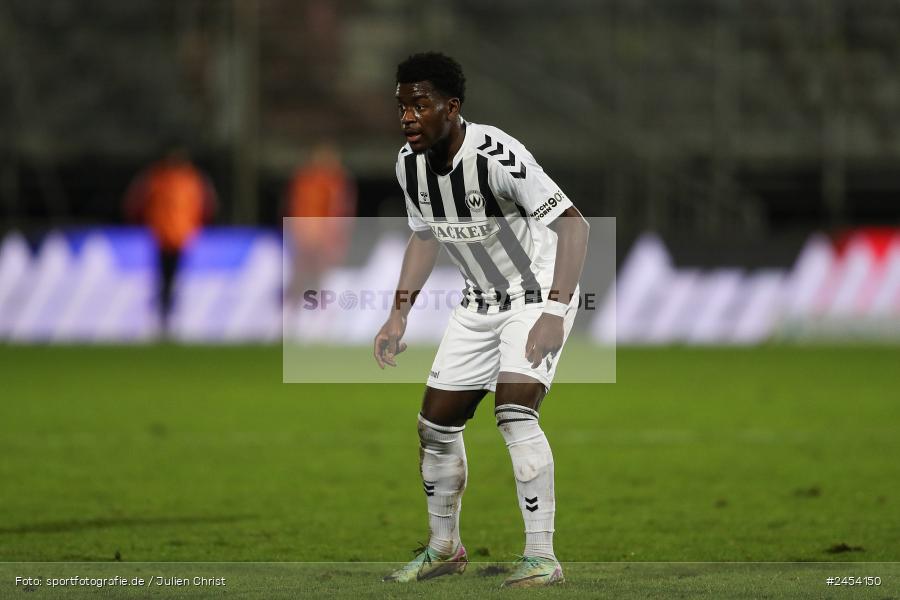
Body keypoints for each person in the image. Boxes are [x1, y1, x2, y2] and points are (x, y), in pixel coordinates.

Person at [375, 52, 589, 588]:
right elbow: (424, 238)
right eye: (402, 106)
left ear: (452, 107)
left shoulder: (496, 154)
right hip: (478, 302)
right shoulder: (409, 164)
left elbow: (575, 226)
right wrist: (397, 316)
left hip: (535, 292)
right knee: (435, 426)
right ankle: (444, 548)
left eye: (419, 105)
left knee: (515, 412)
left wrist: (556, 312)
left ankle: (542, 557)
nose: (407, 117)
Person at [124, 146, 217, 334]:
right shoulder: (158, 178)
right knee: (164, 279)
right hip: (162, 235)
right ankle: (163, 320)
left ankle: (169, 319)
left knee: (173, 279)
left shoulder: (191, 179)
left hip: (182, 236)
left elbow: (207, 205)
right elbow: (135, 203)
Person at [282, 142, 356, 306]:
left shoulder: (335, 181)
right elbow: (295, 206)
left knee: (319, 272)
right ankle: (294, 304)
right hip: (307, 234)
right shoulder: (306, 180)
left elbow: (340, 210)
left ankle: (313, 305)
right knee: (302, 269)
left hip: (320, 235)